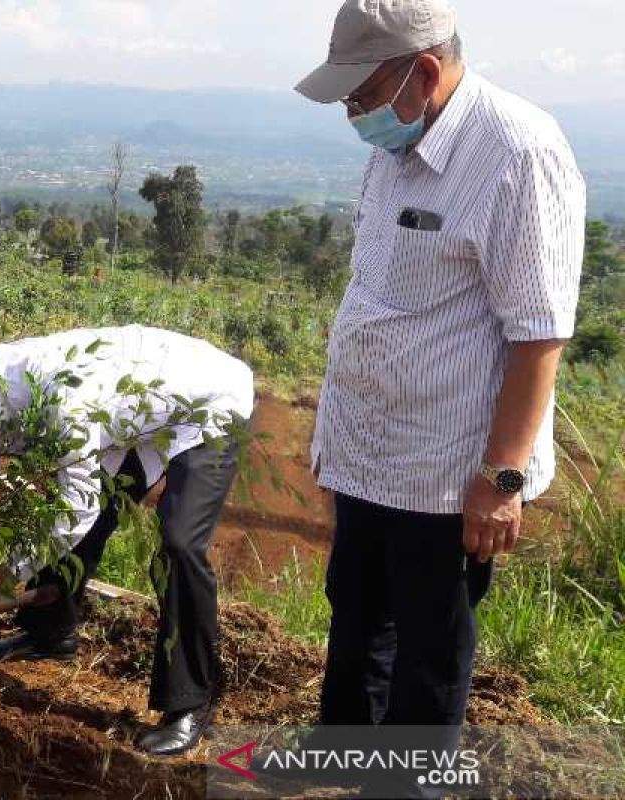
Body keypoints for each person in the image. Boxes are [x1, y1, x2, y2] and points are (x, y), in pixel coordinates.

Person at [290, 0, 585, 794]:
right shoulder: (399, 143)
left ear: (423, 71)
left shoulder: (519, 154)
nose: (353, 114)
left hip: (448, 469)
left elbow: (538, 336)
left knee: (428, 643)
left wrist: (502, 479)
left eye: (361, 95)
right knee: (356, 616)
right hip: (371, 453)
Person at [0, 316, 255, 756]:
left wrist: (4, 577)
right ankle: (49, 635)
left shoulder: (58, 394)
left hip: (203, 401)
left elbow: (78, 507)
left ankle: (192, 704)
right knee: (55, 507)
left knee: (179, 544)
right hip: (125, 417)